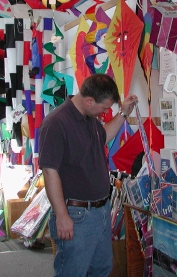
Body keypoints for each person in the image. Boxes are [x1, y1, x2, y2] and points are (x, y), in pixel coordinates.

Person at [39, 74, 138, 277]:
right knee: (73, 272)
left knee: (101, 269)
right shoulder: (55, 124)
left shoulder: (89, 117)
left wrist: (123, 113)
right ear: (89, 100)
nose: (104, 113)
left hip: (100, 210)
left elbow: (103, 136)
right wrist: (62, 215)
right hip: (76, 214)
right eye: (104, 108)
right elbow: (50, 172)